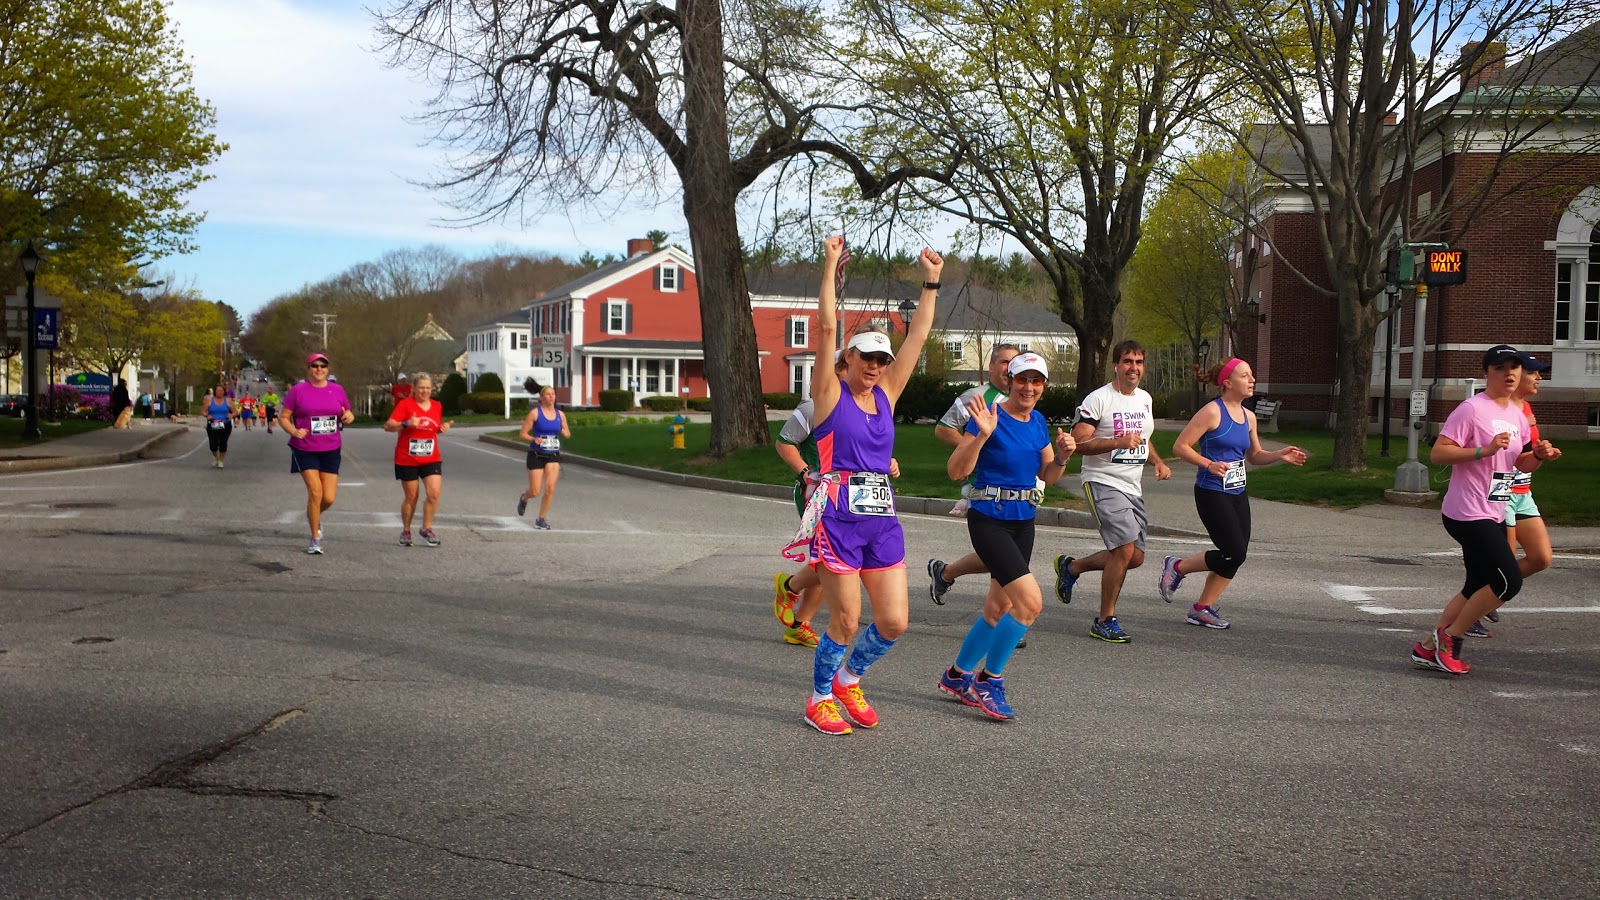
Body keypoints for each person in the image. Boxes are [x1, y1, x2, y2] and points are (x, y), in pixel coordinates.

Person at [794, 235, 941, 736]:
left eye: (881, 360)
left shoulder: (887, 395)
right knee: (846, 620)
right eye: (867, 358)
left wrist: (930, 282)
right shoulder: (828, 395)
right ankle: (818, 699)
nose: (876, 366)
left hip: (881, 519)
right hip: (838, 518)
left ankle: (848, 681)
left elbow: (918, 337)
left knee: (895, 621)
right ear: (849, 359)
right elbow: (825, 326)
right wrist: (830, 264)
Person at [936, 352, 1074, 720]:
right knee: (1029, 603)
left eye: (1036, 381)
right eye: (1022, 379)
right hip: (989, 520)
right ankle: (989, 680)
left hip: (1022, 521)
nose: (1029, 387)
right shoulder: (990, 416)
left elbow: (1048, 475)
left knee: (998, 608)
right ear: (1010, 381)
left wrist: (1061, 457)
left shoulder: (1038, 421)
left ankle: (957, 675)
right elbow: (956, 471)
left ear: (1044, 386)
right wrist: (981, 435)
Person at [1411, 345, 1558, 675]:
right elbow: (1438, 454)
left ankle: (1429, 647)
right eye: (1500, 368)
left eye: (1514, 368)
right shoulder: (1471, 410)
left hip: (1495, 509)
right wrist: (1483, 451)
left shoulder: (1517, 414)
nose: (1509, 374)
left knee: (1476, 584)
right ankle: (1450, 639)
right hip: (1466, 512)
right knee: (1508, 583)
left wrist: (1538, 455)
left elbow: (1519, 463)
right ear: (1486, 373)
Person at [1159, 358, 1308, 629]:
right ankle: (1177, 567)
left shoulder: (1249, 417)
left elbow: (1255, 455)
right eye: (1245, 376)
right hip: (1211, 491)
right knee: (1234, 552)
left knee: (1236, 555)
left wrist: (1279, 454)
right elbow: (1180, 446)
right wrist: (1209, 464)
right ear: (1228, 383)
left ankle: (1202, 609)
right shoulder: (1212, 412)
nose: (1252, 380)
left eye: (1252, 375)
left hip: (1237, 492)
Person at [773, 366, 901, 650]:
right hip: (822, 495)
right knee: (832, 563)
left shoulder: (870, 405)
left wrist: (887, 464)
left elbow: (866, 449)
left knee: (833, 564)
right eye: (847, 370)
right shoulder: (813, 407)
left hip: (863, 500)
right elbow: (784, 443)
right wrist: (806, 472)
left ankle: (795, 610)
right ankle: (792, 597)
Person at [1054, 340, 1172, 643]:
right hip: (1102, 480)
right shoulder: (1099, 399)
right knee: (1123, 550)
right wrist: (1117, 442)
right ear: (1115, 366)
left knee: (1135, 557)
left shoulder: (1144, 399)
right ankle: (1105, 620)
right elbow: (1078, 442)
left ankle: (1072, 567)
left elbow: (1143, 437)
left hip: (1132, 485)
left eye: (1139, 362)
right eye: (1128, 361)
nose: (1134, 368)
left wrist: (1158, 461)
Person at [927, 343, 1021, 604]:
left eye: (1014, 362)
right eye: (1004, 362)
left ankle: (945, 573)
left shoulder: (1024, 397)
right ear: (991, 367)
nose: (1009, 368)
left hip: (1017, 488)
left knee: (1006, 554)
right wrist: (972, 450)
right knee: (1004, 554)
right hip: (986, 487)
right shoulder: (977, 397)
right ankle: (1001, 613)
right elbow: (943, 428)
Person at [1479, 351, 1560, 638]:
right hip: (1501, 489)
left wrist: (1542, 453)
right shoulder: (1492, 409)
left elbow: (1526, 456)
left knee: (1540, 558)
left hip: (1523, 490)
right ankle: (1474, 606)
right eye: (1533, 372)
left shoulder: (1525, 409)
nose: (1539, 378)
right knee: (1504, 564)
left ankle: (1483, 596)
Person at [279, 353, 355, 555]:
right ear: (309, 368)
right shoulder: (298, 391)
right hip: (305, 448)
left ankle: (314, 515)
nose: (319, 369)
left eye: (323, 366)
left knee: (328, 498)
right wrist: (294, 431)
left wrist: (348, 415)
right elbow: (284, 417)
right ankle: (315, 538)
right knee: (315, 492)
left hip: (331, 448)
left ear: (327, 369)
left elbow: (347, 411)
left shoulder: (337, 390)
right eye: (315, 366)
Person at [385, 373, 454, 547]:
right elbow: (388, 426)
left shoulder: (437, 406)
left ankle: (426, 529)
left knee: (434, 493)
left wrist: (441, 428)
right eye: (421, 388)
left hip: (431, 457)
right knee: (411, 497)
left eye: (428, 388)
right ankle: (406, 531)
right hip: (407, 458)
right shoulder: (405, 405)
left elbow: (432, 428)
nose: (425, 391)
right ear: (414, 389)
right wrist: (406, 424)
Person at [516, 385, 570, 530]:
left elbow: (567, 431)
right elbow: (522, 433)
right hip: (536, 455)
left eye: (553, 394)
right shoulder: (535, 413)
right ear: (541, 398)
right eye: (548, 394)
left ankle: (541, 519)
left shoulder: (560, 415)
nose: (551, 397)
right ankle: (524, 498)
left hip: (553, 455)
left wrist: (565, 433)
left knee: (550, 488)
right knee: (535, 491)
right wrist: (533, 439)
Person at [203, 384, 237, 468]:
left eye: (221, 390)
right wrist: (207, 415)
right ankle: (216, 457)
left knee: (223, 442)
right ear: (215, 391)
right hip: (212, 423)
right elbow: (203, 411)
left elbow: (235, 411)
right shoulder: (209, 400)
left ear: (224, 391)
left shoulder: (228, 400)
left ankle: (221, 460)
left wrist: (231, 415)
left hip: (225, 424)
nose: (220, 392)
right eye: (218, 390)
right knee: (213, 444)